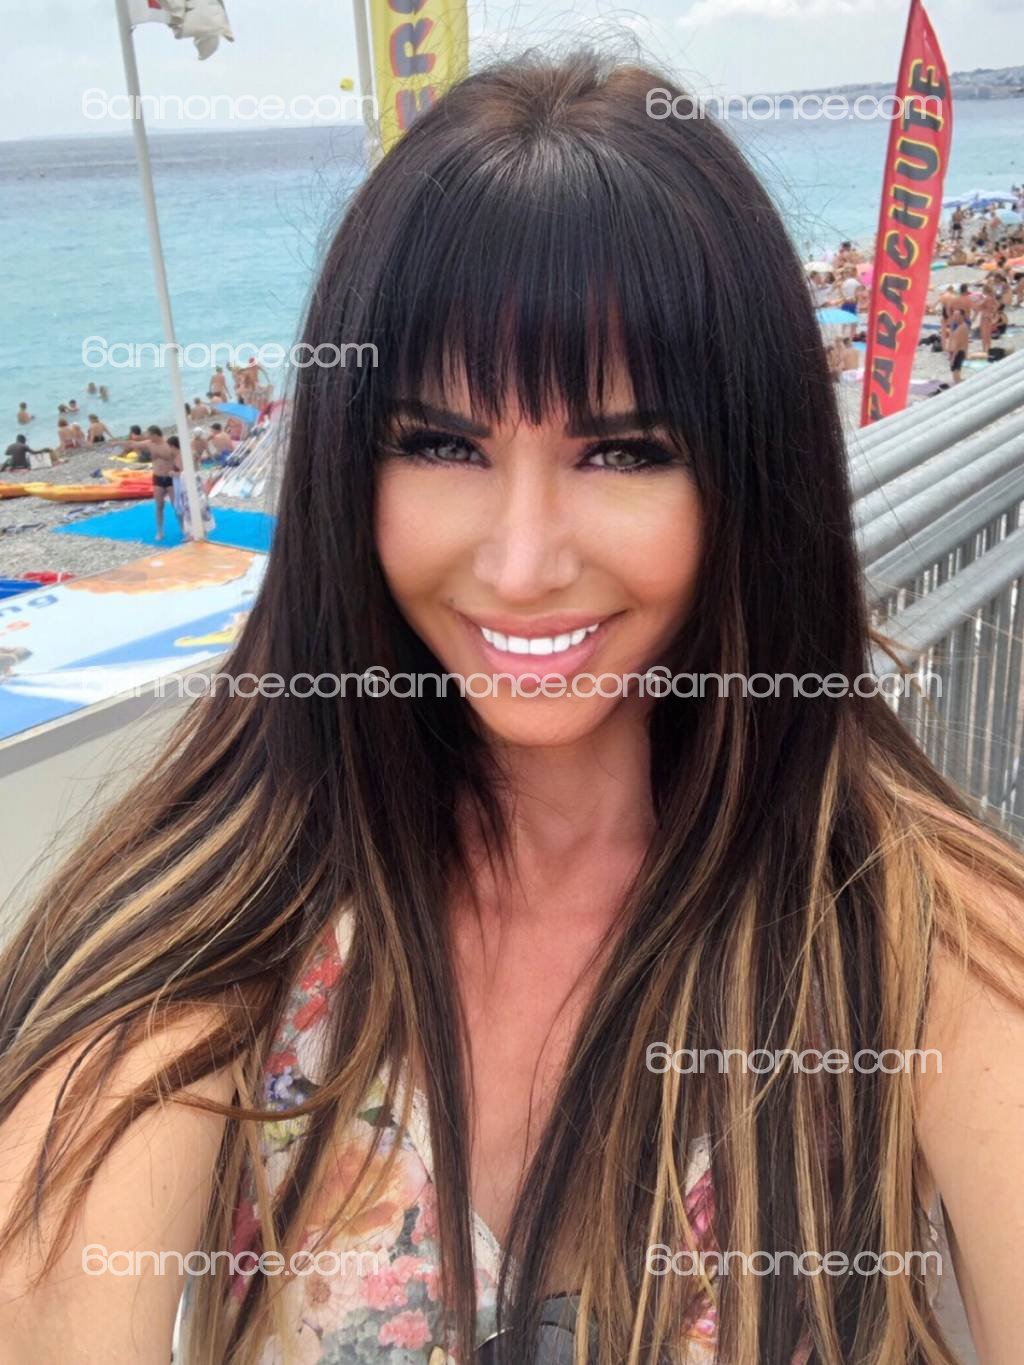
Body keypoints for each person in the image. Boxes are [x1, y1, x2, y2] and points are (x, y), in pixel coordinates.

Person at [2, 52, 1024, 1365]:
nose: (523, 562)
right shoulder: (218, 918)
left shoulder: (914, 931)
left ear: (751, 484)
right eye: (442, 445)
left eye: (623, 452)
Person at [143, 424, 183, 541]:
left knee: (176, 505)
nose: (148, 437)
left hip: (170, 478)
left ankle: (183, 527)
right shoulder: (149, 444)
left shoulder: (168, 445)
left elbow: (179, 457)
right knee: (159, 506)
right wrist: (118, 443)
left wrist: (177, 471)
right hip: (158, 478)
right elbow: (133, 444)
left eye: (149, 435)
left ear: (155, 434)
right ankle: (160, 531)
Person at [947, 307, 969, 383]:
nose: (955, 318)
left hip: (958, 352)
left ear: (962, 316)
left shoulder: (962, 327)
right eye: (954, 316)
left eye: (957, 316)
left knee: (956, 376)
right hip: (958, 352)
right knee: (956, 375)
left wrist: (953, 357)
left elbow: (959, 344)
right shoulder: (961, 326)